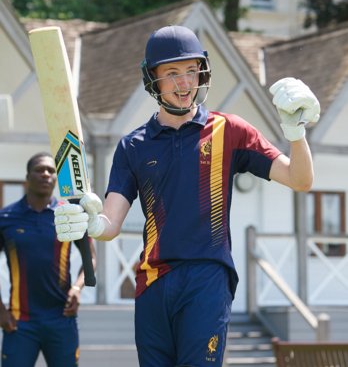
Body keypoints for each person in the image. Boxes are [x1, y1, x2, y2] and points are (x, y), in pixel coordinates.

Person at [54, 25, 320, 367]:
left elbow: (300, 179)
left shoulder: (231, 131)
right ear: (153, 79)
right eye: (172, 73)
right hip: (152, 284)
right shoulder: (132, 146)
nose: (184, 83)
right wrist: (89, 221)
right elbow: (110, 224)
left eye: (192, 71)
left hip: (207, 279)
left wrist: (296, 133)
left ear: (202, 72)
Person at [0, 152, 96, 367]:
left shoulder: (69, 215)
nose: (45, 174)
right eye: (39, 170)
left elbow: (90, 257)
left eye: (51, 171)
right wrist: (0, 310)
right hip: (19, 321)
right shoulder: (6, 218)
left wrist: (78, 288)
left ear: (56, 179)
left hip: (61, 318)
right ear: (27, 176)